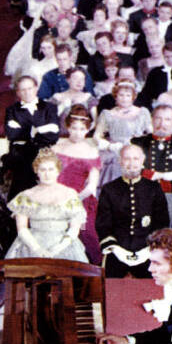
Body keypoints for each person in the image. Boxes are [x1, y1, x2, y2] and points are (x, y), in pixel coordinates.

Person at [95, 143, 170, 278]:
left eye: (135, 159)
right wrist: (116, 249)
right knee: (109, 289)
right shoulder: (109, 189)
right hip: (117, 250)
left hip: (148, 250)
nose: (131, 163)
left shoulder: (154, 188)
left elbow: (162, 223)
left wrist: (149, 250)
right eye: (127, 159)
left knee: (154, 289)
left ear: (142, 161)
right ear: (120, 161)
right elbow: (103, 224)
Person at [5, 149, 88, 262]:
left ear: (58, 171)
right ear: (36, 171)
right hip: (31, 244)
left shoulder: (70, 194)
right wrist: (37, 249)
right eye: (42, 170)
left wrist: (58, 248)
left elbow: (75, 228)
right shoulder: (26, 195)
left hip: (63, 245)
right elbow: (22, 229)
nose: (47, 174)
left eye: (51, 169)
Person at [52, 106, 102, 261]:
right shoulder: (56, 147)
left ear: (88, 130)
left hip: (80, 200)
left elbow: (91, 186)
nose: (78, 132)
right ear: (67, 127)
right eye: (74, 128)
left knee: (87, 233)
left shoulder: (91, 151)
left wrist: (73, 200)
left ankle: (94, 271)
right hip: (55, 197)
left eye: (82, 129)